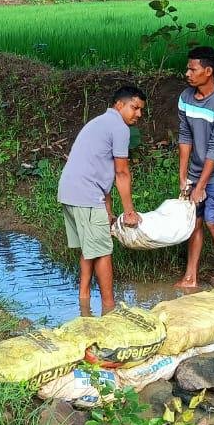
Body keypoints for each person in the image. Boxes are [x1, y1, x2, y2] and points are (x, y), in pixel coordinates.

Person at [57, 86, 145, 316]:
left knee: (90, 248)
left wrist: (108, 210)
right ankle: (110, 309)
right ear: (119, 105)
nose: (138, 114)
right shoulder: (119, 128)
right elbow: (121, 173)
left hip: (69, 191)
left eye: (141, 110)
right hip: (86, 195)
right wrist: (129, 213)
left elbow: (98, 168)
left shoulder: (98, 123)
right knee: (104, 251)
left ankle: (83, 300)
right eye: (134, 108)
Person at [176, 46, 214, 290]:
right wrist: (184, 178)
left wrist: (200, 186)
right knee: (194, 222)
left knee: (212, 221)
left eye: (193, 69)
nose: (187, 73)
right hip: (194, 171)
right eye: (187, 68)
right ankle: (190, 276)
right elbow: (184, 137)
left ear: (208, 71)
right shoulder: (185, 98)